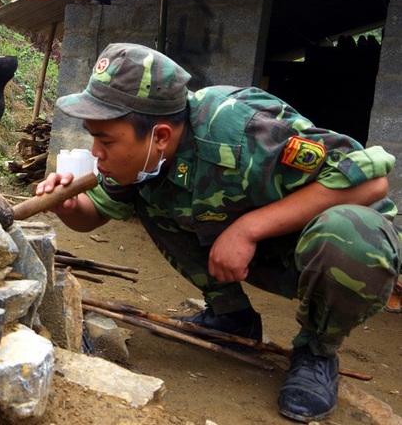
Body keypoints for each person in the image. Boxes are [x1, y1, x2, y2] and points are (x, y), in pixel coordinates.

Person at [36, 43, 401, 423]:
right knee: (155, 196)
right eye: (93, 137)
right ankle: (232, 317)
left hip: (339, 253)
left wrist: (247, 229)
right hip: (262, 248)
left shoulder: (242, 128)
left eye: (106, 140)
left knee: (354, 234)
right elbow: (92, 215)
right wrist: (67, 206)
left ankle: (317, 351)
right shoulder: (147, 158)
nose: (96, 152)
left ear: (160, 135)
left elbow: (372, 183)